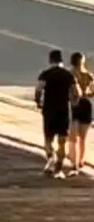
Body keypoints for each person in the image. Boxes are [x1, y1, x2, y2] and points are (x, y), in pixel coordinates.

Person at [35, 49, 80, 177]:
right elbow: (76, 93)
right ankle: (59, 169)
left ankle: (50, 157)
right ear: (61, 60)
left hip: (49, 110)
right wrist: (74, 104)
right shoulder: (68, 75)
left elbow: (38, 90)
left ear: (51, 60)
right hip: (63, 111)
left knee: (48, 139)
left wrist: (38, 103)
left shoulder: (45, 74)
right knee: (62, 141)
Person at [68, 52, 94, 176]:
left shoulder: (69, 75)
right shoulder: (89, 76)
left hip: (74, 106)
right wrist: (86, 94)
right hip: (86, 105)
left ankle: (75, 162)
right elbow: (93, 92)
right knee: (83, 137)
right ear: (82, 62)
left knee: (73, 137)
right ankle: (81, 160)